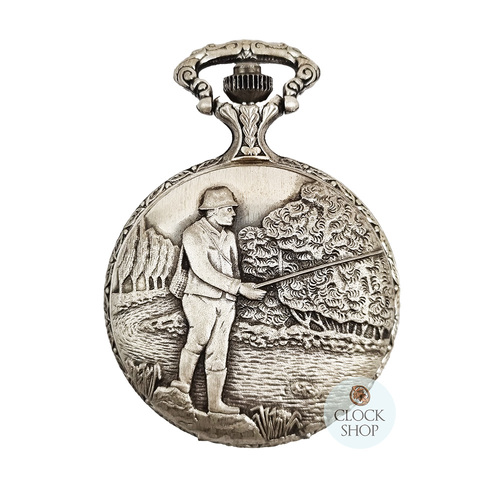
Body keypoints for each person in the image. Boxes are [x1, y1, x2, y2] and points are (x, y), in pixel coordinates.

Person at [170, 186, 266, 414]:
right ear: (213, 211)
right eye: (228, 209)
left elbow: (234, 269)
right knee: (199, 339)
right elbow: (202, 270)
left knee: (219, 350)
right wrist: (239, 287)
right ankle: (182, 387)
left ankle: (215, 403)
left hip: (226, 301)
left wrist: (238, 290)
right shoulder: (192, 234)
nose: (234, 213)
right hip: (199, 297)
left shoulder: (229, 236)